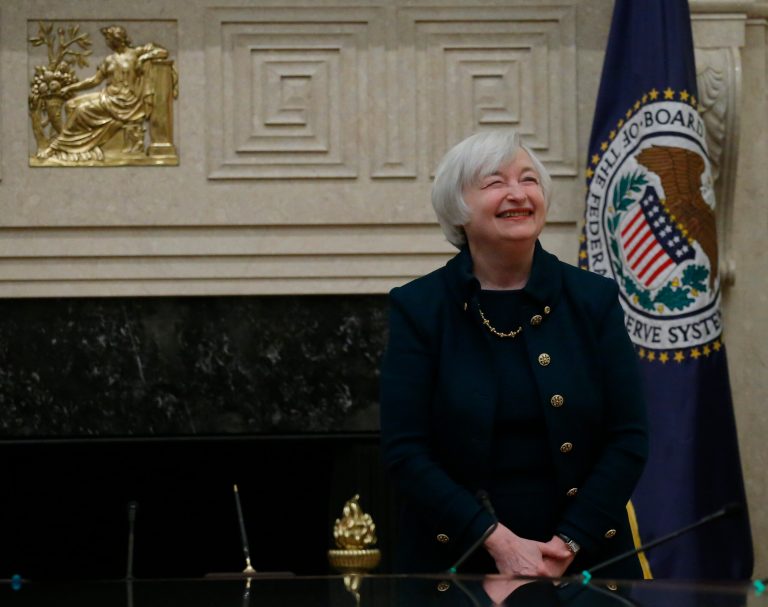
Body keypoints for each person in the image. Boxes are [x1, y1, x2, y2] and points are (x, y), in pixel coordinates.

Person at [380, 130, 648, 581]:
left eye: (529, 180)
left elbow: (629, 437)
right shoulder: (419, 308)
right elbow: (405, 451)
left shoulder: (593, 299)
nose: (518, 194)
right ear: (457, 208)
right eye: (494, 183)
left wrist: (569, 541)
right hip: (457, 563)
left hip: (585, 560)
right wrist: (499, 544)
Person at [39, 25, 168, 162]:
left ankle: (55, 147)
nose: (106, 42)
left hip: (125, 102)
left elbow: (163, 52)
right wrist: (71, 88)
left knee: (80, 111)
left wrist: (144, 58)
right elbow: (94, 81)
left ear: (117, 39)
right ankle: (76, 149)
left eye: (108, 39)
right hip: (108, 97)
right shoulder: (109, 60)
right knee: (71, 104)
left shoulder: (136, 53)